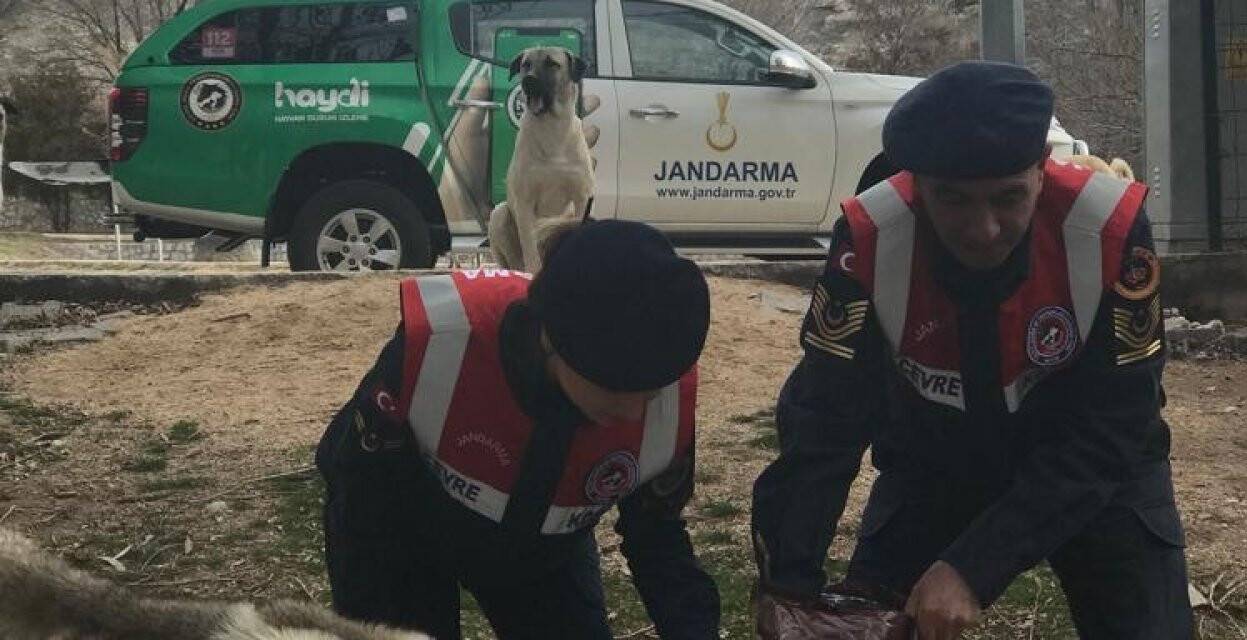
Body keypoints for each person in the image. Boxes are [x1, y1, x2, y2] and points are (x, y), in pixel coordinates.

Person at [751, 61, 1193, 640]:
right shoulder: (869, 238)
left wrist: (972, 566)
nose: (983, 229)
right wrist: (788, 582)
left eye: (1008, 198)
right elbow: (825, 417)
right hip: (934, 463)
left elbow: (1117, 425)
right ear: (916, 183)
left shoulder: (1111, 229)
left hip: (1092, 466)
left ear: (1042, 170)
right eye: (953, 200)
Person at [318, 220, 720, 640]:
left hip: (542, 553)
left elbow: (657, 537)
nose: (635, 413)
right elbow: (357, 487)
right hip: (400, 530)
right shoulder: (443, 342)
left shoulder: (666, 381)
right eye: (615, 389)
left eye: (651, 393)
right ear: (553, 339)